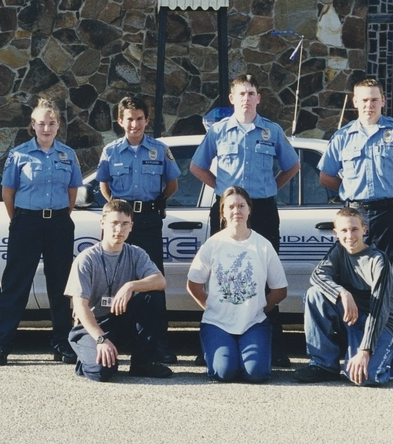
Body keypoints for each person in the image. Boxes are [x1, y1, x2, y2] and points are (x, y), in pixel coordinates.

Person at [190, 74, 299, 365]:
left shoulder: (272, 131)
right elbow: (197, 166)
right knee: (221, 275)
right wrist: (223, 191)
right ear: (232, 98)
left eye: (252, 93)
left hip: (262, 209)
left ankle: (272, 347)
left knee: (264, 275)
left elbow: (292, 166)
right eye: (242, 93)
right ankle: (213, 346)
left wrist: (271, 187)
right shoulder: (218, 132)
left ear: (258, 98)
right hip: (228, 210)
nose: (247, 99)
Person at [0, 99, 83, 366]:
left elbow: (72, 191)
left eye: (52, 123)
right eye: (41, 123)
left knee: (60, 286)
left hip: (58, 223)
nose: (46, 128)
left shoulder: (68, 155)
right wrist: (19, 219)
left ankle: (62, 344)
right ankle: (0, 346)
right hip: (27, 222)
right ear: (33, 125)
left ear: (58, 126)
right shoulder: (19, 155)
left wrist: (59, 216)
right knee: (15, 284)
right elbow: (8, 192)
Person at [318, 77, 393, 295]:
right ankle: (360, 326)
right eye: (365, 100)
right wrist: (348, 188)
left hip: (391, 214)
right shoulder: (342, 137)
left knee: (391, 274)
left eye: (374, 100)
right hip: (355, 214)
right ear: (355, 102)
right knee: (356, 274)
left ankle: (389, 325)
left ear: (383, 101)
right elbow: (325, 176)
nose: (370, 105)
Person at [95, 95, 180, 363]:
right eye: (129, 119)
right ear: (121, 121)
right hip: (119, 221)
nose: (135, 124)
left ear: (146, 119)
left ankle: (158, 343)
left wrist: (152, 207)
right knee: (112, 279)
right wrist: (118, 211)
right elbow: (103, 186)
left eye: (140, 119)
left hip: (147, 221)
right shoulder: (110, 151)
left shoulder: (160, 149)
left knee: (153, 281)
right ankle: (114, 337)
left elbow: (172, 185)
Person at [64, 199, 174, 382]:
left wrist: (130, 286)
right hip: (92, 325)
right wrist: (101, 340)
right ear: (102, 224)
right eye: (114, 223)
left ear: (131, 226)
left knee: (152, 296)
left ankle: (143, 363)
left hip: (120, 321)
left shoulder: (136, 253)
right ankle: (86, 358)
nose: (119, 230)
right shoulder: (86, 259)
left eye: (125, 224)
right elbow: (80, 307)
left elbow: (160, 281)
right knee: (102, 372)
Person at [293, 207, 393, 386]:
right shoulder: (339, 250)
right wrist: (342, 293)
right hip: (353, 318)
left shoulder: (378, 261)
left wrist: (365, 350)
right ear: (336, 233)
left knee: (365, 376)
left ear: (364, 230)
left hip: (383, 323)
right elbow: (317, 276)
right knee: (314, 295)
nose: (350, 236)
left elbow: (379, 310)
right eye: (344, 230)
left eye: (354, 229)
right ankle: (323, 365)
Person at [186, 186, 288, 383]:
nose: (236, 211)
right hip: (217, 323)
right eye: (230, 206)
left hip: (254, 323)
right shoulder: (213, 245)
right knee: (224, 372)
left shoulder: (263, 245)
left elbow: (280, 290)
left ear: (249, 209)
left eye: (241, 206)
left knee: (256, 373)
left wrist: (259, 308)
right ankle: (220, 353)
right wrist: (212, 307)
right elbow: (194, 284)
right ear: (222, 211)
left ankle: (244, 355)